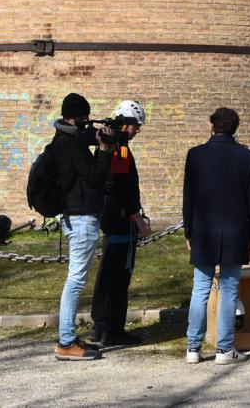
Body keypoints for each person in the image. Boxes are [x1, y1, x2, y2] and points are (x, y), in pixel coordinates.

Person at [182, 107, 250, 365]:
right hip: (235, 228)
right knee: (229, 289)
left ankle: (193, 348)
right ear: (235, 128)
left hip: (203, 228)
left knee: (200, 289)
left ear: (212, 125)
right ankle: (225, 349)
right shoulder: (246, 157)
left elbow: (188, 197)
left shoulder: (195, 155)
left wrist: (189, 230)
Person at [53, 93, 115, 361]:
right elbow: (97, 178)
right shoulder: (71, 146)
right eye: (85, 118)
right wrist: (103, 151)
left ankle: (69, 339)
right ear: (77, 118)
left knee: (75, 279)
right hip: (81, 219)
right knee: (75, 280)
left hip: (75, 218)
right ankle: (66, 342)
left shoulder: (64, 140)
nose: (88, 123)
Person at [89, 100, 152, 347]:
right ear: (126, 124)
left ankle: (99, 327)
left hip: (112, 218)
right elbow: (119, 187)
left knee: (108, 274)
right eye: (136, 126)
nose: (138, 130)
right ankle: (112, 329)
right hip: (120, 221)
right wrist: (135, 216)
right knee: (118, 277)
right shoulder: (120, 149)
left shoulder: (109, 146)